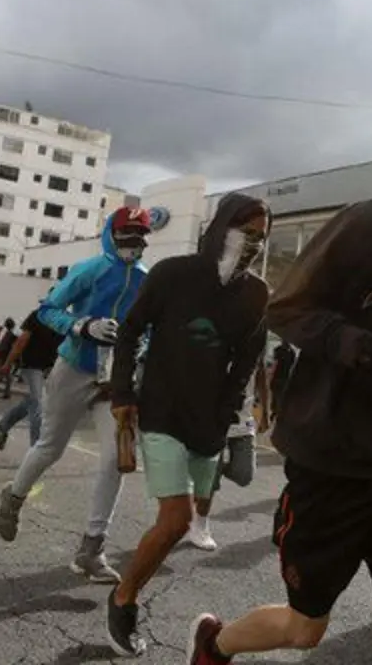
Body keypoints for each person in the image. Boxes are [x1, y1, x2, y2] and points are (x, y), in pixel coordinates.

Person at [186, 100, 372, 665]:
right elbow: (287, 309)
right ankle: (214, 644)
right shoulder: (363, 223)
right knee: (305, 629)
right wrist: (364, 348)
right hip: (330, 457)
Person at [102, 192, 272, 656]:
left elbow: (246, 361)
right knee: (175, 520)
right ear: (220, 227)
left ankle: (126, 590)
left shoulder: (257, 294)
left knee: (186, 519)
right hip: (160, 411)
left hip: (209, 423)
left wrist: (230, 416)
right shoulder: (173, 274)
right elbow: (133, 328)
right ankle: (123, 598)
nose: (254, 242)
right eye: (245, 231)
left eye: (262, 235)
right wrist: (122, 394)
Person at [0, 207, 151, 586]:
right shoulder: (89, 270)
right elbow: (47, 310)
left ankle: (92, 549)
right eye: (126, 232)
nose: (134, 241)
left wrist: (144, 347)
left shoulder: (147, 280)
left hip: (116, 378)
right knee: (50, 447)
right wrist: (81, 325)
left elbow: (152, 326)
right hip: (74, 368)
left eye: (141, 234)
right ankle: (13, 498)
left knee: (116, 459)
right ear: (112, 234)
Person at [187, 358, 270, 551]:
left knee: (244, 474)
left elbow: (261, 376)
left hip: (243, 420)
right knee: (210, 479)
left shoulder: (255, 337)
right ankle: (200, 525)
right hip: (213, 419)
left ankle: (202, 473)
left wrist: (264, 412)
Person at [0, 302, 62, 450]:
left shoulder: (64, 320)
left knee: (31, 402)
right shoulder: (37, 316)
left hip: (49, 369)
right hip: (31, 367)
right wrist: (7, 364)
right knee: (38, 404)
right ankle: (36, 449)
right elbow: (21, 342)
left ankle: (3, 425)